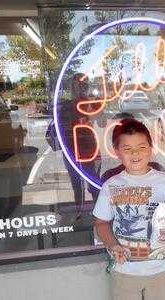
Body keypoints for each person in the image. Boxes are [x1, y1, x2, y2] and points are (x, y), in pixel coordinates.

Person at [93, 119, 165, 300]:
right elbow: (101, 223)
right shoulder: (111, 185)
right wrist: (112, 244)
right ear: (117, 152)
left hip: (161, 269)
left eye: (141, 147)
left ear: (151, 148)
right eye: (127, 149)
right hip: (124, 271)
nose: (135, 153)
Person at [58, 73, 103, 214]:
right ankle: (79, 212)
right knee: (77, 184)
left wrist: (97, 108)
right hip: (72, 148)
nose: (84, 87)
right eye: (80, 84)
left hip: (89, 148)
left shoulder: (90, 103)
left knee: (94, 183)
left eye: (86, 84)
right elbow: (62, 127)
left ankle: (98, 213)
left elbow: (102, 123)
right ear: (73, 87)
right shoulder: (66, 106)